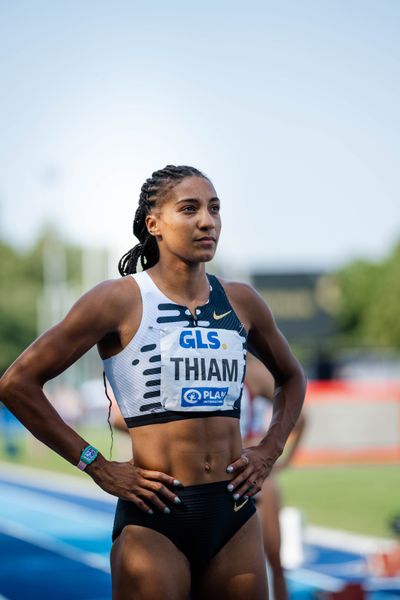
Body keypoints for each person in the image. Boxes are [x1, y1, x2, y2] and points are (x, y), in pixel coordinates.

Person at [0, 165, 306, 600]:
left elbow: (292, 377)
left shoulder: (242, 301)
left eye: (215, 209)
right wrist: (97, 465)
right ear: (154, 224)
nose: (207, 220)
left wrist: (269, 450)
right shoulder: (118, 300)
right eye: (189, 209)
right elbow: (16, 383)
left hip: (233, 514)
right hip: (156, 519)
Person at [241, 353, 307, 600]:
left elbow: (300, 418)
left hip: (252, 476)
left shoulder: (252, 371)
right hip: (215, 475)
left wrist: (277, 457)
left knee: (271, 559)